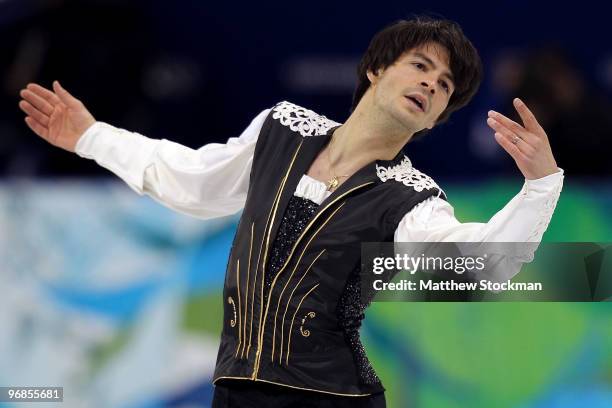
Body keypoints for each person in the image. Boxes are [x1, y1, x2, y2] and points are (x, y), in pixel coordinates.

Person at [18, 16, 563, 408]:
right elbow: (191, 181)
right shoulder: (280, 128)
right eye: (420, 66)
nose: (430, 84)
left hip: (331, 398)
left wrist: (541, 184)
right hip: (234, 389)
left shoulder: (412, 201)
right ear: (375, 70)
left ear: (434, 121)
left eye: (444, 87)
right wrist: (91, 136)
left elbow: (481, 268)